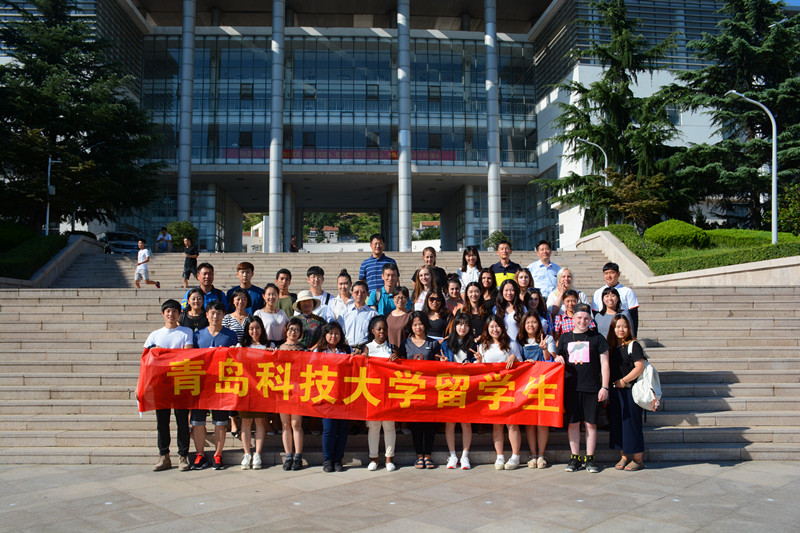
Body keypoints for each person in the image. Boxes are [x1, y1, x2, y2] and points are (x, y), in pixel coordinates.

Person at [555, 303, 611, 474]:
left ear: (590, 320)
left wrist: (605, 387)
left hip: (592, 387)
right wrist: (557, 358)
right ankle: (575, 457)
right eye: (579, 318)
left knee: (591, 424)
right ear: (573, 318)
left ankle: (590, 457)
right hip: (571, 387)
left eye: (586, 318)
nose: (582, 321)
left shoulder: (598, 338)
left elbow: (605, 364)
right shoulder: (565, 338)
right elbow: (558, 358)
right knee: (573, 423)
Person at [143, 299, 193, 471]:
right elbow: (146, 360)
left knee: (182, 421)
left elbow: (187, 355)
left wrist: (161, 353)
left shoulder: (186, 332)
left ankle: (183, 456)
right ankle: (164, 455)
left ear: (180, 314)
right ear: (163, 314)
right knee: (162, 422)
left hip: (180, 381)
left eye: (174, 311)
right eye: (168, 311)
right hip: (160, 384)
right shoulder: (155, 335)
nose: (171, 314)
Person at [190, 301, 238, 470]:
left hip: (221, 385)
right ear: (207, 314)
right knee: (197, 421)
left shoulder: (230, 335)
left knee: (220, 422)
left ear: (223, 315)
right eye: (212, 313)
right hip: (201, 384)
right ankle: (200, 454)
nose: (215, 316)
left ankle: (218, 454)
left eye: (218, 313)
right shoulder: (198, 335)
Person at [475, 315, 523, 470]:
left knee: (512, 424)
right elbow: (480, 368)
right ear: (487, 329)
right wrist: (479, 360)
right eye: (491, 326)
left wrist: (514, 357)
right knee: (497, 424)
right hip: (492, 389)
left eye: (497, 326)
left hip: (510, 388)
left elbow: (522, 364)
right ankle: (500, 456)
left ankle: (515, 456)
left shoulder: (512, 344)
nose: (494, 329)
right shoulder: (483, 346)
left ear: (502, 327)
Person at [399, 312, 441, 469]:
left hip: (430, 390)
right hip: (412, 390)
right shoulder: (405, 343)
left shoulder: (433, 343)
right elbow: (400, 365)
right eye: (415, 324)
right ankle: (419, 456)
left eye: (421, 324)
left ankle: (428, 455)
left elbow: (439, 366)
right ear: (411, 326)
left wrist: (443, 362)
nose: (418, 327)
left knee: (429, 424)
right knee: (416, 424)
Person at [606, 314, 646, 472]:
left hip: (630, 391)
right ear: (613, 329)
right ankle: (624, 456)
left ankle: (638, 459)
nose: (621, 329)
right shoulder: (612, 347)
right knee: (618, 424)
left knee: (632, 424)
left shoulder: (633, 345)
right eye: (617, 327)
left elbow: (640, 366)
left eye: (624, 326)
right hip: (616, 392)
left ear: (629, 328)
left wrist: (624, 381)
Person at [517, 311, 556, 469]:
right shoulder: (520, 341)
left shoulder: (548, 339)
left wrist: (545, 350)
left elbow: (552, 361)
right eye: (528, 322)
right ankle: (533, 454)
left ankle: (541, 454)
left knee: (542, 422)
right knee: (530, 422)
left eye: (533, 322)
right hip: (527, 386)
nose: (530, 325)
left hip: (544, 385)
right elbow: (518, 362)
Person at [312, 322, 352, 472]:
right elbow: (311, 368)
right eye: (330, 333)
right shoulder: (319, 350)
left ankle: (338, 460)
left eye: (336, 333)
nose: (333, 336)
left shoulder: (347, 349)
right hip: (326, 395)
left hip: (344, 395)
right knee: (329, 429)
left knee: (342, 429)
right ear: (325, 335)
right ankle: (328, 460)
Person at [439, 313, 477, 470]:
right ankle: (453, 455)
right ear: (455, 326)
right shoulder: (446, 344)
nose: (463, 327)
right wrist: (443, 363)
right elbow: (439, 363)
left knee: (466, 423)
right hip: (450, 386)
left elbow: (477, 364)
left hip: (467, 387)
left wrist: (477, 361)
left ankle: (465, 456)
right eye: (460, 324)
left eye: (466, 325)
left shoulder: (473, 344)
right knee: (450, 423)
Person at [363, 316, 399, 472]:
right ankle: (374, 458)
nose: (382, 332)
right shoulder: (367, 348)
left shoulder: (393, 348)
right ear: (373, 331)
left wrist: (397, 359)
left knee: (389, 426)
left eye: (384, 329)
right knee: (374, 427)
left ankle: (389, 458)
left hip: (389, 393)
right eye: (379, 329)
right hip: (372, 393)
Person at [237, 316, 270, 469]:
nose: (254, 331)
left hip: (262, 389)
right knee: (245, 422)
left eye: (257, 328)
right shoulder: (241, 346)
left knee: (260, 421)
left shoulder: (268, 345)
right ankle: (247, 453)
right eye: (251, 328)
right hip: (245, 389)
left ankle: (257, 453)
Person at [278, 318, 306, 470]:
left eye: (296, 330)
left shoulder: (304, 349)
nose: (293, 332)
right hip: (282, 390)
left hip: (298, 391)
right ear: (286, 330)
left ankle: (298, 456)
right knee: (285, 424)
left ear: (300, 333)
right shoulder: (278, 348)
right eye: (291, 329)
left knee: (296, 424)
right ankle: (288, 456)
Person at [591, 262, 640, 335]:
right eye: (606, 273)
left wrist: (634, 335)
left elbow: (633, 314)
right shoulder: (598, 292)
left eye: (612, 273)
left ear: (618, 274)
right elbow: (595, 314)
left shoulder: (627, 291)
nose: (609, 276)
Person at [337, 280, 378, 352]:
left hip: (365, 350)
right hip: (347, 350)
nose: (359, 294)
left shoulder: (373, 314)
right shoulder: (344, 313)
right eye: (356, 292)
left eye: (363, 292)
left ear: (367, 294)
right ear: (352, 293)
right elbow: (339, 332)